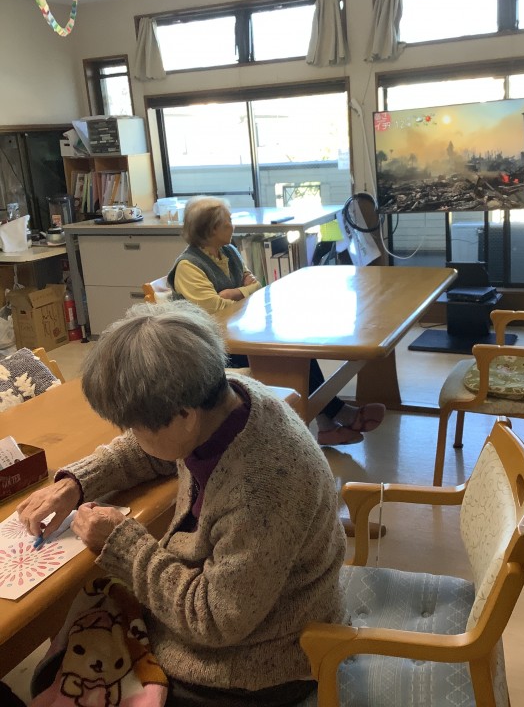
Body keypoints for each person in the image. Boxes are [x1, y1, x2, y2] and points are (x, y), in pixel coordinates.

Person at [18, 300, 346, 707]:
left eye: (136, 426)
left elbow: (214, 620)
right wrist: (76, 483)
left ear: (184, 415)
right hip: (248, 614)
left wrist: (124, 545)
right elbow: (152, 450)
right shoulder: (223, 397)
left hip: (260, 667)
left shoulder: (260, 487)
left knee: (62, 677)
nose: (133, 436)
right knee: (70, 652)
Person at [167, 196, 386, 446]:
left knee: (297, 346)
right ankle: (331, 418)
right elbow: (215, 310)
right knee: (289, 353)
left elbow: (256, 285)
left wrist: (236, 292)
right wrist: (243, 292)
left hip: (237, 332)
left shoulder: (229, 252)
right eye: (227, 222)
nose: (232, 226)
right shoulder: (189, 266)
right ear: (211, 229)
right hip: (210, 347)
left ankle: (328, 421)